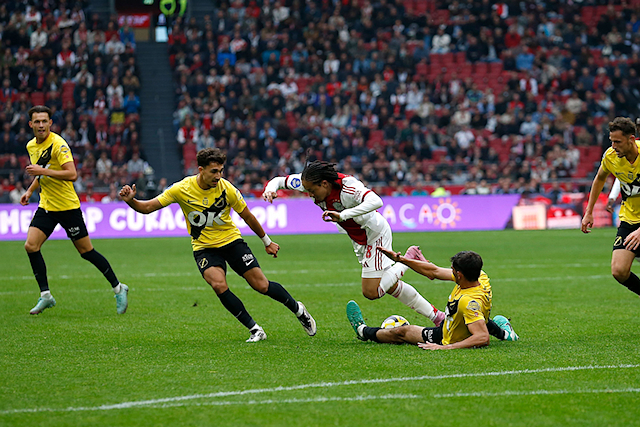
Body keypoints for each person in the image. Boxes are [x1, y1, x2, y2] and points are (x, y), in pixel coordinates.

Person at [119, 148, 316, 342]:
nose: (218, 176)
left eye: (221, 171)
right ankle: (255, 330)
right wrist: (131, 201)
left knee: (261, 285)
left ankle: (299, 310)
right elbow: (148, 207)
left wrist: (267, 242)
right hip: (204, 247)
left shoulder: (227, 188)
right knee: (219, 285)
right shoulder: (181, 189)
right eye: (214, 171)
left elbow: (248, 216)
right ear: (201, 170)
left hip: (231, 241)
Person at [263, 161, 445, 326]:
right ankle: (437, 317)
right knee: (390, 286)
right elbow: (279, 181)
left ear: (324, 184)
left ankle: (408, 258)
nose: (310, 194)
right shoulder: (309, 181)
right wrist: (270, 189)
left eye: (312, 191)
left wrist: (343, 215)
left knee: (371, 291)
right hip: (358, 238)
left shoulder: (348, 187)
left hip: (373, 233)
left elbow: (376, 201)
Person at [21, 105, 128, 315]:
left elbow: (72, 174)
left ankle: (118, 288)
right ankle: (46, 296)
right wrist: (30, 190)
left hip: (67, 207)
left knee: (86, 252)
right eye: (37, 121)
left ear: (50, 123)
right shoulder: (31, 146)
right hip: (47, 205)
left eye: (44, 121)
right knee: (31, 246)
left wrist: (42, 172)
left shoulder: (59, 144)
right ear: (31, 124)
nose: (41, 125)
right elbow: (42, 172)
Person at [346, 248, 519, 350]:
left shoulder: (468, 302)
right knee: (478, 319)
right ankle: (505, 334)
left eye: (452, 270)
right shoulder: (480, 277)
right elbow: (434, 271)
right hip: (461, 321)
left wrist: (445, 347)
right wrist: (402, 260)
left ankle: (363, 330)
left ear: (459, 275)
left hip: (446, 336)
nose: (450, 271)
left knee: (402, 332)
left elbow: (482, 337)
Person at [582, 117, 640, 297]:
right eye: (611, 141)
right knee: (619, 270)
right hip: (630, 219)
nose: (613, 146)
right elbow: (599, 178)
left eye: (618, 142)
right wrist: (589, 212)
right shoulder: (611, 156)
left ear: (631, 139)